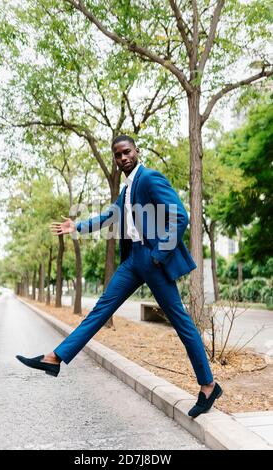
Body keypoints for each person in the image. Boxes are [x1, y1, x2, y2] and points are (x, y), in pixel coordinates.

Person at [16, 135, 222, 418]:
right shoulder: (126, 190)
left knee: (181, 323)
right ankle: (55, 358)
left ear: (136, 151)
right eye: (117, 155)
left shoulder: (149, 178)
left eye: (126, 152)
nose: (123, 158)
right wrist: (76, 226)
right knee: (100, 310)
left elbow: (180, 216)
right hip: (133, 261)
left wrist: (157, 255)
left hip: (152, 259)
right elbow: (109, 217)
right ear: (114, 160)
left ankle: (208, 385)